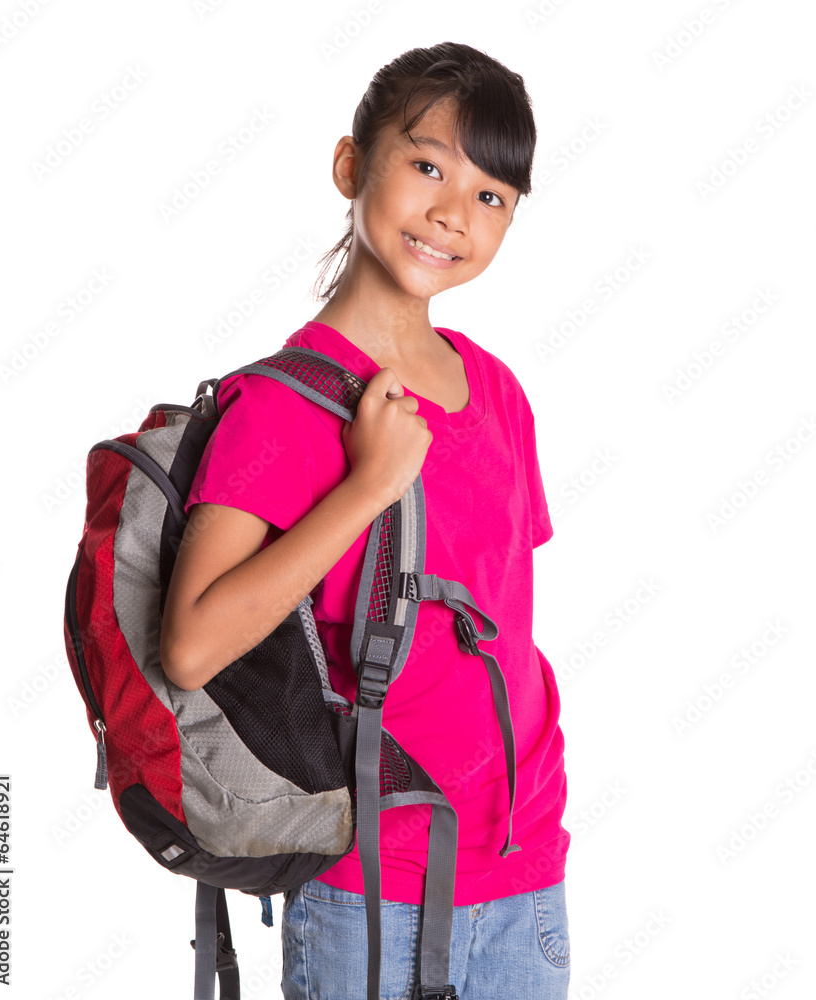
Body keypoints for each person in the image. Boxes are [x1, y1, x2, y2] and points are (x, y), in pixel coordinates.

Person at [159, 40, 570, 1000]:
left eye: (490, 195)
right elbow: (190, 646)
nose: (450, 213)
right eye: (426, 165)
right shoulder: (283, 408)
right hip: (372, 886)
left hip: (523, 870)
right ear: (353, 165)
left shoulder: (498, 392)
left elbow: (502, 631)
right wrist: (365, 488)